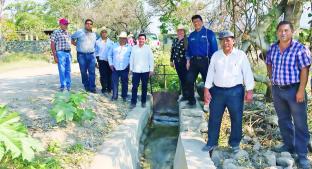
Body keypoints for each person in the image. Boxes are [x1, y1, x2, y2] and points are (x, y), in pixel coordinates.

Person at [266, 21, 311, 169]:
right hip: (278, 90)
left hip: (294, 90)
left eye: (286, 30)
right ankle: (289, 145)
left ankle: (302, 155)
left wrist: (300, 90)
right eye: (280, 30)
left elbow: (305, 70)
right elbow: (269, 63)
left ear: (292, 32)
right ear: (277, 32)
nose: (283, 33)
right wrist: (271, 79)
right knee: (283, 119)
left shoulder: (299, 49)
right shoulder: (273, 48)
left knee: (300, 123)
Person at [202, 30, 254, 153]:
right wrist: (206, 89)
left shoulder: (240, 55)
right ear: (220, 42)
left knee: (236, 117)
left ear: (233, 41)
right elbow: (210, 73)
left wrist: (249, 90)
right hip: (217, 91)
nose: (225, 42)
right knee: (214, 117)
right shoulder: (216, 55)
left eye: (228, 39)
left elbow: (247, 72)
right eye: (222, 40)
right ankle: (212, 142)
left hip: (235, 92)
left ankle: (235, 144)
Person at [186, 15, 218, 106]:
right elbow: (188, 50)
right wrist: (188, 61)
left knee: (207, 82)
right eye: (194, 22)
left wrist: (214, 63)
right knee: (189, 80)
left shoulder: (209, 33)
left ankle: (209, 102)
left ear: (202, 21)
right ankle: (191, 101)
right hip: (194, 62)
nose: (196, 23)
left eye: (198, 21)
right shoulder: (191, 35)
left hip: (206, 61)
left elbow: (214, 49)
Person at [71, 19, 97, 93]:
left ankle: (92, 87)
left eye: (90, 24)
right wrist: (77, 45)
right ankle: (86, 85)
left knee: (92, 72)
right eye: (87, 23)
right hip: (81, 55)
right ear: (85, 24)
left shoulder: (94, 34)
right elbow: (72, 38)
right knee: (83, 71)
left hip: (91, 55)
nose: (89, 25)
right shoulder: (79, 32)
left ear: (92, 25)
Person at [130, 33, 154, 108]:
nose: (141, 40)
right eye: (140, 39)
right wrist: (131, 69)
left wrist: (151, 69)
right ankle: (133, 102)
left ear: (145, 40)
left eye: (143, 39)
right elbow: (131, 59)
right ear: (138, 39)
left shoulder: (148, 48)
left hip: (145, 70)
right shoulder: (134, 48)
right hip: (136, 70)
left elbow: (151, 59)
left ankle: (143, 102)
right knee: (134, 87)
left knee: (144, 87)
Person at [108, 32, 132, 101]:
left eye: (124, 38)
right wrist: (110, 64)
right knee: (114, 82)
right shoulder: (114, 46)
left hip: (125, 68)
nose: (122, 40)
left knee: (125, 82)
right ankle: (114, 96)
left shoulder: (130, 48)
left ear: (126, 39)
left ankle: (124, 96)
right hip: (115, 68)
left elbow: (131, 57)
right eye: (121, 38)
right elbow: (109, 55)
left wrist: (130, 66)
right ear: (119, 38)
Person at [50, 18, 72, 92]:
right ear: (60, 24)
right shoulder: (56, 32)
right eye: (65, 24)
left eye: (67, 24)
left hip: (68, 53)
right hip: (60, 53)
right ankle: (63, 85)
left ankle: (68, 86)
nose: (66, 26)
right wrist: (55, 55)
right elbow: (52, 44)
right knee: (62, 70)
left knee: (68, 70)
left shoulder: (68, 33)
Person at [170, 25, 188, 101]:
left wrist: (188, 62)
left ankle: (188, 96)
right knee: (181, 79)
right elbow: (172, 51)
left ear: (184, 32)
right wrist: (171, 60)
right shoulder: (175, 40)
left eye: (181, 30)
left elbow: (188, 52)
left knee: (186, 79)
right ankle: (184, 95)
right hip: (177, 62)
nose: (180, 32)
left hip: (184, 62)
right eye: (178, 30)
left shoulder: (186, 40)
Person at [95, 28, 114, 94]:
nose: (104, 33)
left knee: (110, 75)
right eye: (102, 32)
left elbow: (112, 53)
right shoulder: (97, 42)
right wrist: (96, 61)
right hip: (101, 60)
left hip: (109, 61)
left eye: (105, 32)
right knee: (103, 75)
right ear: (100, 33)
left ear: (107, 33)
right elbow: (95, 52)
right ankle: (104, 88)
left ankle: (109, 88)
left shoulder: (111, 42)